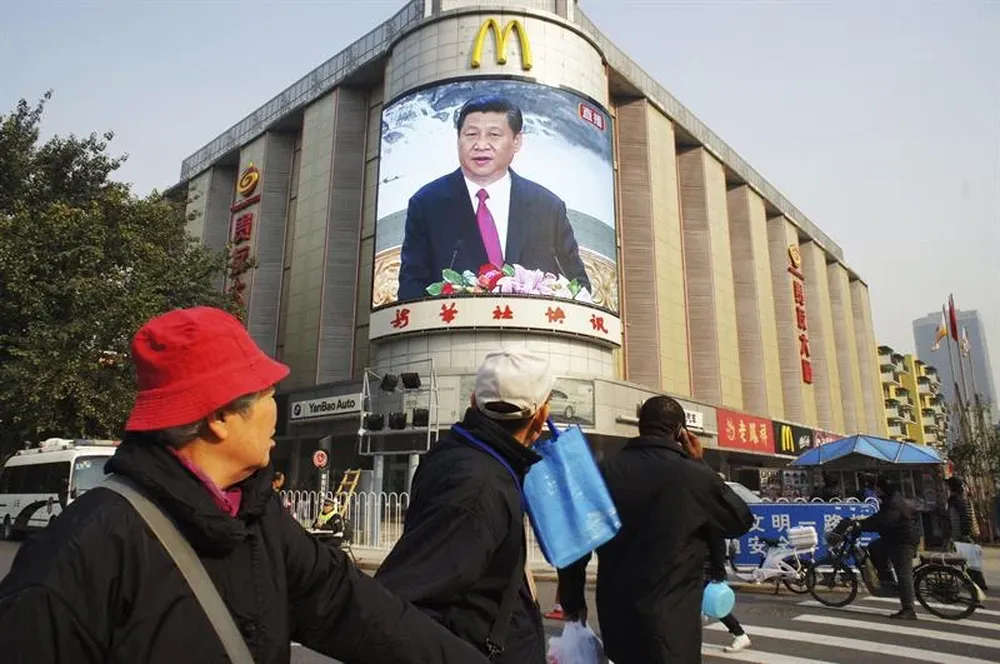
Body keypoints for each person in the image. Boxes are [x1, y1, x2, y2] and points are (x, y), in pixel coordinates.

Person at [0, 306, 488, 664]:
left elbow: (352, 608)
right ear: (219, 419)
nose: (277, 407)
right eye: (268, 394)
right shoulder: (80, 554)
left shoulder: (256, 515)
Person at [375, 349, 554, 663]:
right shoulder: (478, 485)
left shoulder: (475, 461)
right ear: (540, 416)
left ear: (472, 402)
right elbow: (406, 607)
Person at [557, 395, 755, 664]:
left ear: (640, 425)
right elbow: (739, 520)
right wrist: (700, 463)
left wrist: (572, 602)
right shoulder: (693, 476)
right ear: (680, 431)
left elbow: (576, 542)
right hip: (674, 623)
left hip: (618, 617)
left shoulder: (603, 472)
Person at [396, 95, 590, 301]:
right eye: (471, 134)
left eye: (494, 135)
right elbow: (411, 288)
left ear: (516, 141)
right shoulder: (427, 204)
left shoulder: (548, 207)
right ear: (458, 139)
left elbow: (578, 286)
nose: (481, 145)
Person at [858, 476, 919, 620]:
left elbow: (884, 522)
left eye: (876, 487)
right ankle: (886, 579)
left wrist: (863, 526)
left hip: (903, 541)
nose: (875, 490)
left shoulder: (893, 503)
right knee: (875, 546)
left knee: (904, 574)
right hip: (892, 539)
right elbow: (879, 517)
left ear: (881, 488)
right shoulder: (890, 499)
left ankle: (909, 609)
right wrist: (861, 523)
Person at [706, 531, 751, 653]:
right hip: (702, 571)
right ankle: (740, 634)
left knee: (716, 605)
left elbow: (718, 548)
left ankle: (740, 634)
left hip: (708, 572)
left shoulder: (711, 526)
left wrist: (718, 575)